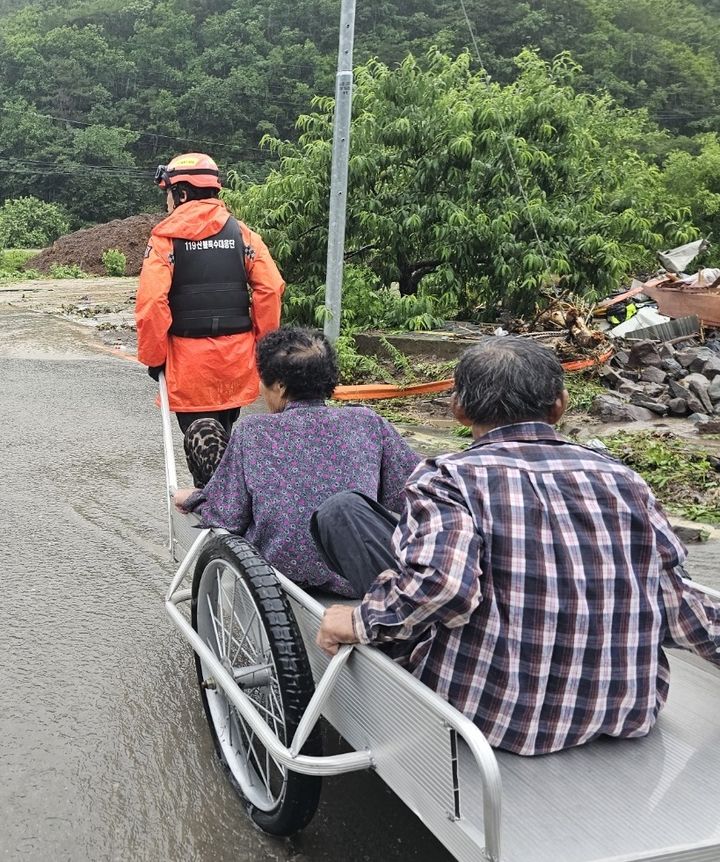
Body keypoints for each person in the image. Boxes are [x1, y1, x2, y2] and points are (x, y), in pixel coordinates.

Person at [315, 336, 720, 755]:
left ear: (459, 409)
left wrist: (360, 620)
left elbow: (445, 586)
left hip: (487, 716)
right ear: (560, 405)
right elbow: (676, 600)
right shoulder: (624, 481)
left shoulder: (448, 478)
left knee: (345, 512)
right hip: (623, 711)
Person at [173, 327, 420, 597]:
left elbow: (228, 516)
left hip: (275, 572)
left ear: (279, 386)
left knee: (206, 437)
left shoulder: (253, 431)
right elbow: (412, 493)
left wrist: (195, 498)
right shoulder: (367, 422)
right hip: (354, 575)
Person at [135, 152, 285, 434]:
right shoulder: (243, 236)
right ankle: (222, 476)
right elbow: (270, 289)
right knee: (224, 437)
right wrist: (263, 347)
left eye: (168, 193)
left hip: (188, 365)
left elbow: (152, 303)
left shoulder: (165, 241)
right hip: (235, 363)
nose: (166, 201)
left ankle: (210, 478)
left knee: (201, 444)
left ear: (180, 194)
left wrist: (155, 358)